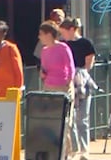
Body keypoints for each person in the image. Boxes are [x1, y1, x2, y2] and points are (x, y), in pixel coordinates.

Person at [38, 21, 76, 160]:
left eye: (41, 34)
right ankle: (53, 151)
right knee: (50, 121)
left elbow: (70, 67)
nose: (39, 37)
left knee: (65, 121)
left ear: (49, 34)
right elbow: (44, 68)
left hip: (64, 88)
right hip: (49, 87)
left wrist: (68, 83)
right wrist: (43, 74)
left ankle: (66, 153)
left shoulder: (63, 47)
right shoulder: (44, 51)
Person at [60, 18, 97, 160]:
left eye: (64, 32)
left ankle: (84, 149)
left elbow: (89, 65)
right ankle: (73, 149)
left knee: (82, 118)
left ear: (72, 29)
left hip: (82, 81)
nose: (63, 36)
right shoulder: (63, 45)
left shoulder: (86, 44)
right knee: (71, 118)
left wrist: (79, 76)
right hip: (68, 81)